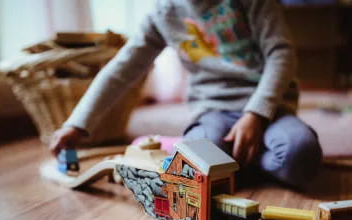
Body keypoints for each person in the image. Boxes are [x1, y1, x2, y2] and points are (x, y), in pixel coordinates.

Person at [51, 0, 323, 189]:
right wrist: (76, 124)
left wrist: (256, 114)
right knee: (199, 164)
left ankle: (227, 161)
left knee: (301, 156)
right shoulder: (163, 13)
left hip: (270, 109)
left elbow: (281, 53)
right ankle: (213, 154)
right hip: (215, 111)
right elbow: (120, 70)